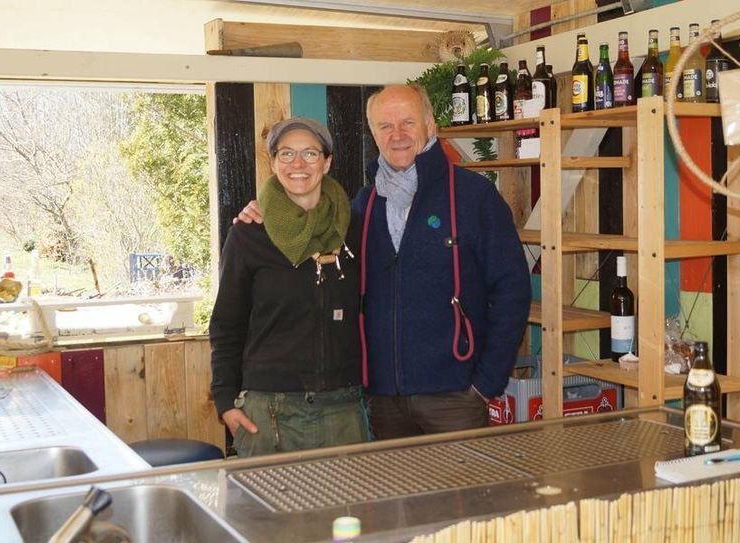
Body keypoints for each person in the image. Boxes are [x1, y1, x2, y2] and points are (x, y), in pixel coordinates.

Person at [236, 85, 532, 440]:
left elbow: (512, 289)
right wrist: (263, 210)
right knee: (391, 497)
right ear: (373, 135)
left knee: (460, 498)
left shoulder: (473, 197)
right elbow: (309, 224)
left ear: (430, 126)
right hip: (381, 401)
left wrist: (486, 382)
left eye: (408, 122)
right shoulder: (363, 204)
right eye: (385, 126)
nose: (398, 135)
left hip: (455, 397)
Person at [209, 117, 368, 457]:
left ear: (327, 162)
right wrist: (225, 401)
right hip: (268, 413)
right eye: (286, 153)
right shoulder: (249, 234)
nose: (298, 164)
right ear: (273, 163)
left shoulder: (354, 229)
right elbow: (226, 324)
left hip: (344, 409)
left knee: (349, 512)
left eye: (310, 153)